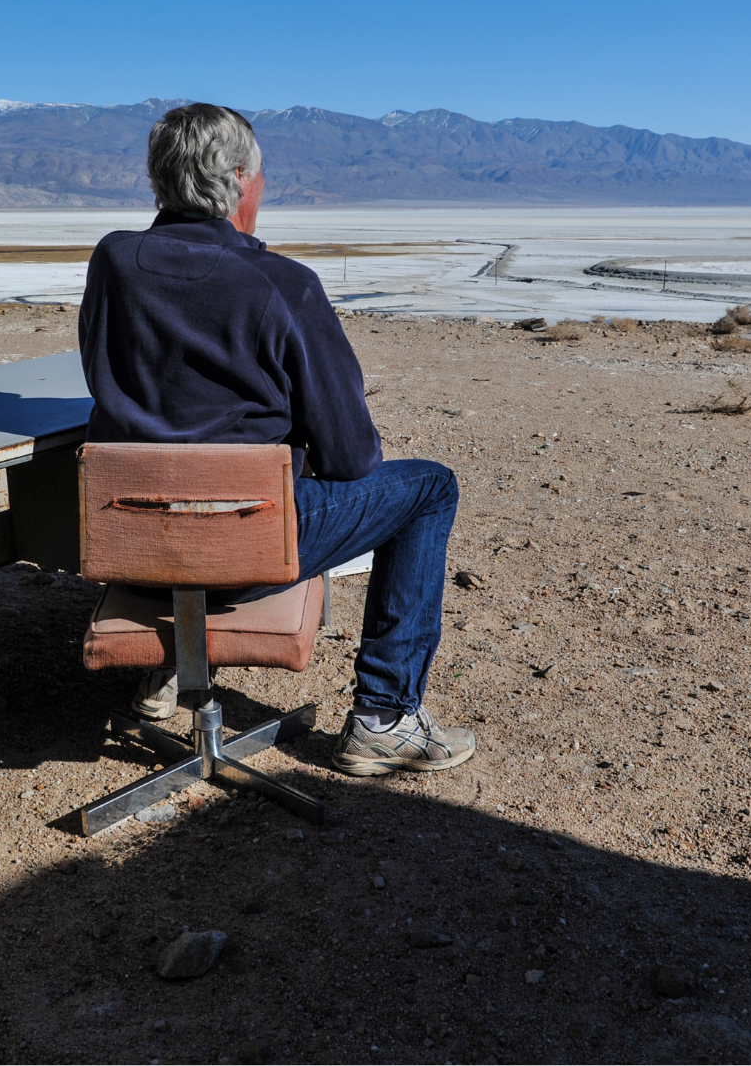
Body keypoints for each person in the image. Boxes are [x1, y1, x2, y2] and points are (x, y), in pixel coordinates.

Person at [78, 103, 474, 776]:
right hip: (246, 551)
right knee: (429, 488)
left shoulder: (113, 263)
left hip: (136, 551)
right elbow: (353, 457)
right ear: (238, 181)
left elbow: (102, 374)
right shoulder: (284, 285)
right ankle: (385, 717)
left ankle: (177, 656)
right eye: (260, 177)